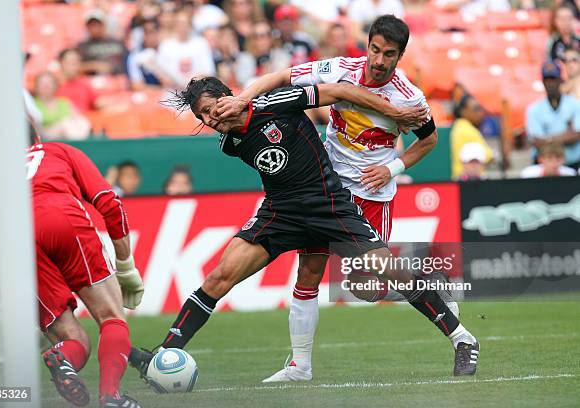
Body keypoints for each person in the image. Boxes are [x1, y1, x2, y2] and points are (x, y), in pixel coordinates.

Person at [128, 77, 480, 384]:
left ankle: (462, 338)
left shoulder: (277, 102)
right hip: (280, 212)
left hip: (327, 203)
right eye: (203, 116)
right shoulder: (230, 144)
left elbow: (339, 91)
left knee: (388, 270)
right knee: (219, 277)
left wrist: (397, 114)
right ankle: (163, 357)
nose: (211, 118)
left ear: (227, 96)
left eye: (212, 107)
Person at [215, 15, 451, 382]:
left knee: (368, 287)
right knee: (309, 269)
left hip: (373, 191)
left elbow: (430, 140)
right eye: (374, 49)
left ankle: (439, 303)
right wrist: (241, 99)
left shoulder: (410, 98)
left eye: (388, 54)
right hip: (328, 187)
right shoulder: (340, 69)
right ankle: (300, 366)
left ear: (399, 56)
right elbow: (280, 77)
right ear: (368, 45)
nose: (378, 60)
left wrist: (393, 168)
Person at [0, 123, 144, 408]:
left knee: (72, 339)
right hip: (60, 217)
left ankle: (62, 356)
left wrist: (24, 310)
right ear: (37, 137)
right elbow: (109, 202)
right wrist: (126, 267)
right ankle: (111, 397)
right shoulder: (59, 150)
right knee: (112, 317)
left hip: (11, 242)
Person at [526, 61, 580, 169]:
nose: (550, 84)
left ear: (560, 80)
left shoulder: (575, 104)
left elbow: (576, 135)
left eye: (553, 79)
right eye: (547, 80)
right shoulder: (534, 109)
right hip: (543, 166)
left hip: (573, 163)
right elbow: (536, 141)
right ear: (543, 82)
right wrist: (564, 136)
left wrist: (548, 139)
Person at [157, 7, 216, 89]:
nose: (182, 27)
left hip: (196, 94)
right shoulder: (165, 46)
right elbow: (161, 74)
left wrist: (190, 83)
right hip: (172, 95)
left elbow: (208, 71)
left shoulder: (201, 43)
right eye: (179, 23)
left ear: (190, 25)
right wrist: (174, 82)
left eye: (185, 23)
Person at [33, 72, 91, 140]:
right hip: (45, 137)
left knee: (81, 122)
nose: (46, 85)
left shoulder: (64, 102)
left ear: (55, 85)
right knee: (65, 125)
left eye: (49, 82)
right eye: (42, 83)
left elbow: (78, 119)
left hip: (67, 135)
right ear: (36, 86)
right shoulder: (32, 104)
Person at [235, 20, 291, 87]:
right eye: (256, 36)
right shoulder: (244, 58)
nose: (262, 40)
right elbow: (242, 82)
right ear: (252, 39)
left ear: (271, 37)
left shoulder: (282, 55)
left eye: (266, 35)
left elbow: (283, 79)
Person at [450, 94, 494, 180]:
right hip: (467, 180)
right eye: (476, 109)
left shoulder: (459, 126)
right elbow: (488, 155)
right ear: (463, 111)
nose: (480, 113)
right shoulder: (466, 128)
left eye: (480, 109)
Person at [77, 10, 128, 76]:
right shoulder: (82, 46)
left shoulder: (117, 43)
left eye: (97, 24)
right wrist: (94, 65)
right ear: (87, 27)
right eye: (91, 25)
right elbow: (76, 66)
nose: (94, 28)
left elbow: (129, 61)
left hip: (117, 79)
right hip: (92, 81)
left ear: (104, 25)